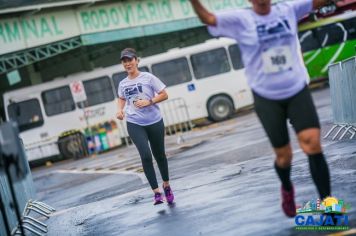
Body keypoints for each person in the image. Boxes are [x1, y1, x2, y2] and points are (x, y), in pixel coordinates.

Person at [190, 0, 338, 217]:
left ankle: (329, 206)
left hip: (296, 89)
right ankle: (287, 188)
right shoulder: (241, 19)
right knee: (284, 157)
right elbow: (209, 19)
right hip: (267, 97)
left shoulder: (287, 9)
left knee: (313, 144)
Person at [116, 48, 174, 205]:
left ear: (136, 60)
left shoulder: (148, 78)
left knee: (159, 154)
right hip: (135, 123)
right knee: (146, 156)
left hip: (155, 121)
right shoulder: (123, 83)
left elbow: (164, 94)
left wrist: (149, 102)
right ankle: (156, 193)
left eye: (130, 60)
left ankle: (166, 186)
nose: (128, 63)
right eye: (124, 61)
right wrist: (120, 110)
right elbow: (121, 98)